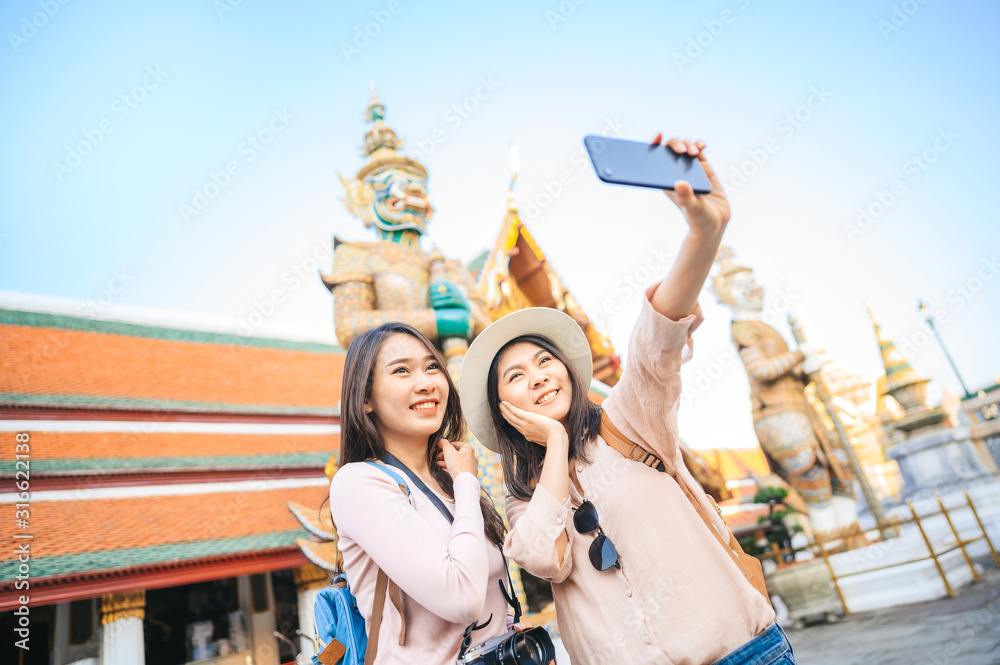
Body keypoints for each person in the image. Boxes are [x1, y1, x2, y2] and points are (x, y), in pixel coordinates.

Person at [459, 137, 795, 665]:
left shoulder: (631, 420)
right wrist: (552, 447)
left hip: (741, 652)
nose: (539, 378)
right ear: (502, 406)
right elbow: (540, 559)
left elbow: (655, 341)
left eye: (546, 362)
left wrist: (704, 231)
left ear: (570, 372)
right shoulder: (523, 498)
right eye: (516, 376)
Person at [329, 322, 513, 664]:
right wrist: (467, 483)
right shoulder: (359, 483)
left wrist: (506, 635)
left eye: (432, 367)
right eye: (401, 370)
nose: (425, 383)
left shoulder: (449, 479)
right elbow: (461, 597)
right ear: (366, 398)